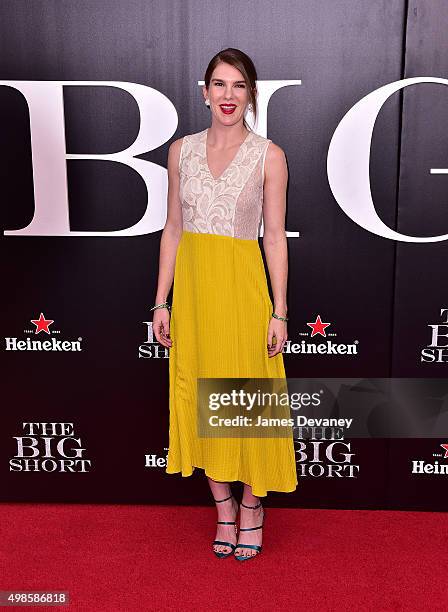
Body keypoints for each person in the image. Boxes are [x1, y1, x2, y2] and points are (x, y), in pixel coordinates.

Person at [152, 48, 298, 561]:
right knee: (201, 394)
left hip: (243, 290)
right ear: (205, 91)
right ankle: (224, 510)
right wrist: (160, 301)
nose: (228, 95)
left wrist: (279, 311)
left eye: (238, 86)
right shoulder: (180, 151)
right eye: (219, 84)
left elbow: (275, 239)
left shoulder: (269, 155)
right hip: (193, 292)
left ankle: (253, 508)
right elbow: (172, 228)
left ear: (251, 93)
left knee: (247, 401)